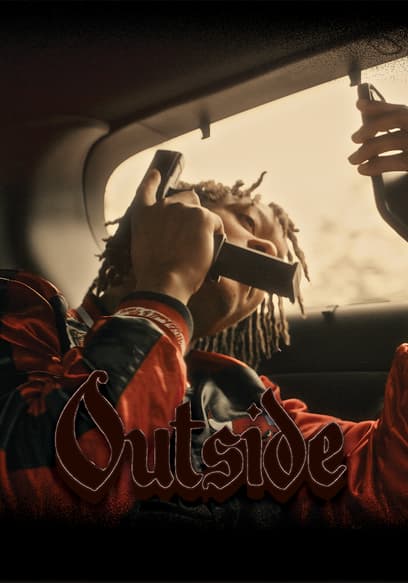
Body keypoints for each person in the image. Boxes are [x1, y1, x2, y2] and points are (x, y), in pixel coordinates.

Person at [0, 95, 407, 531]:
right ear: (168, 218)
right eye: (248, 222)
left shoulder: (247, 401)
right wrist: (166, 287)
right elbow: (54, 488)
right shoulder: (24, 315)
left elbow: (386, 490)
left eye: (277, 256)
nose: (269, 251)